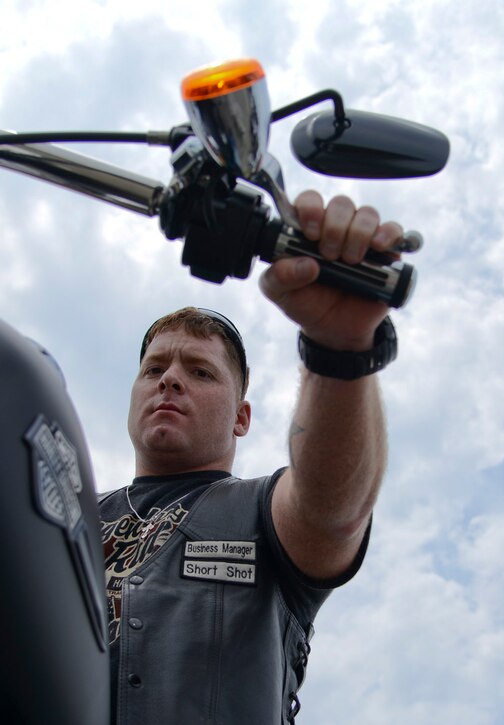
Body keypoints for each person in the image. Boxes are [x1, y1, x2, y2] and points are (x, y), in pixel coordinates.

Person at [99, 190, 403, 724]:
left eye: (200, 371)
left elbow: (333, 507)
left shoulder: (260, 511)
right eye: (153, 369)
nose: (169, 378)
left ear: (241, 418)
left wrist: (341, 347)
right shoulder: (66, 519)